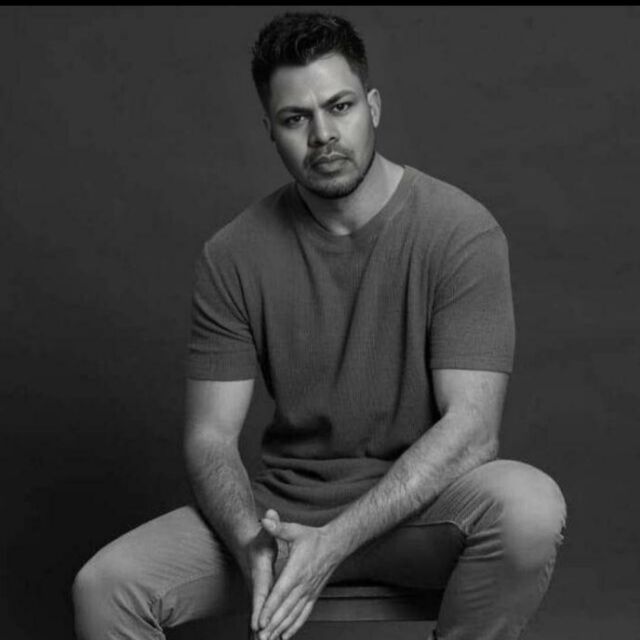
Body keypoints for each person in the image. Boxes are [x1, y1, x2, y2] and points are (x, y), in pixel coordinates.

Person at [72, 11, 567, 640]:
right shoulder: (232, 255)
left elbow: (472, 432)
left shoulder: (460, 232)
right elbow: (209, 438)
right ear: (270, 132)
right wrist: (252, 542)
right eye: (295, 118)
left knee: (528, 507)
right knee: (106, 587)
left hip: (417, 513)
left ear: (373, 107)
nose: (323, 134)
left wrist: (332, 543)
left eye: (340, 106)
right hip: (278, 519)